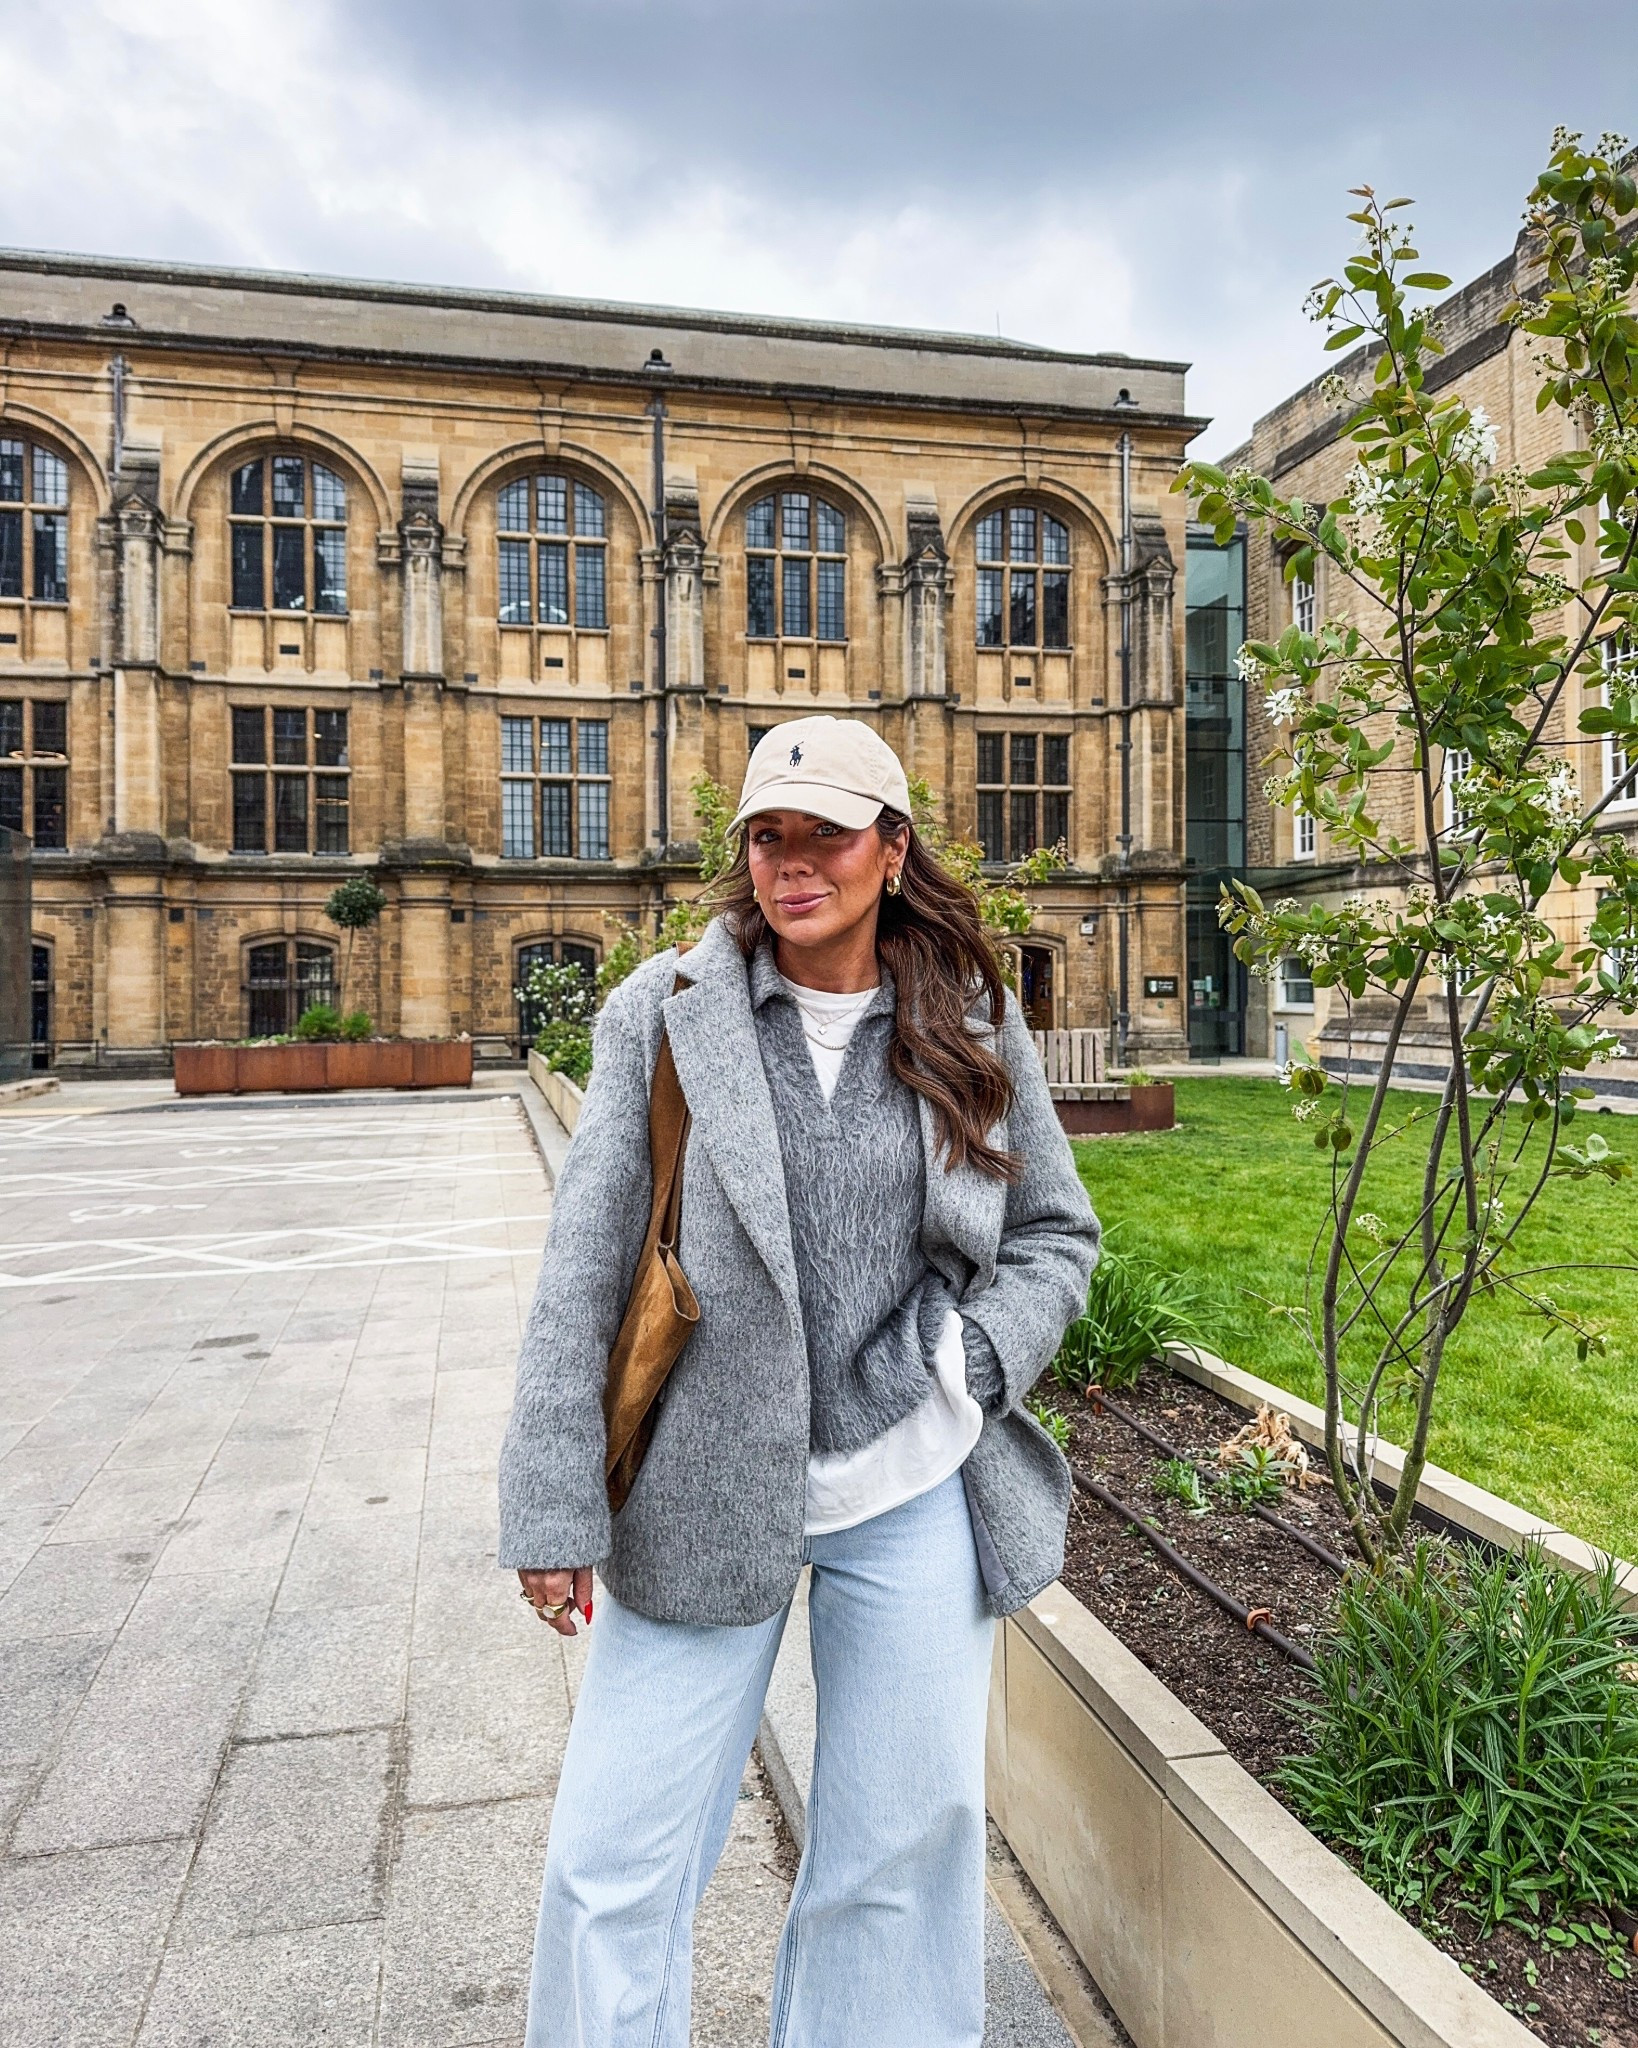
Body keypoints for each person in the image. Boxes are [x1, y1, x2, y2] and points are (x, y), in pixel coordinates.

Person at [498, 714, 1100, 2047]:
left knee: (896, 1851)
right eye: (768, 836)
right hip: (702, 1481)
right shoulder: (661, 1013)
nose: (791, 863)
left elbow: (1056, 1233)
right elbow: (584, 1267)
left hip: (914, 1479)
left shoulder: (973, 1021)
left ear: (890, 850)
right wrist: (550, 1507)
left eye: (823, 835)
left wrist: (971, 1363)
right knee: (613, 1861)